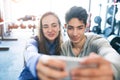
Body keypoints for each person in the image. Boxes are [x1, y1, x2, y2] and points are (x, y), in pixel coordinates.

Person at [60, 6, 120, 80]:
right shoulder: (64, 47)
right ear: (65, 27)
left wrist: (111, 69)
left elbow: (110, 53)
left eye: (80, 28)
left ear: (86, 26)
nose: (75, 33)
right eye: (70, 28)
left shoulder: (96, 41)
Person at [19, 12, 68, 80]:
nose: (50, 30)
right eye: (45, 26)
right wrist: (37, 61)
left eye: (54, 25)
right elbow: (30, 53)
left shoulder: (64, 46)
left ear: (59, 27)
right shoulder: (33, 41)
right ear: (41, 29)